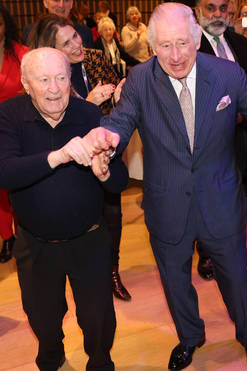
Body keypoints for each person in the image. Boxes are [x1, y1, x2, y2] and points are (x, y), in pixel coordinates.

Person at [82, 3, 247, 370]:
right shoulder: (141, 80)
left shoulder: (226, 74)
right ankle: (190, 338)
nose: (175, 56)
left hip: (220, 198)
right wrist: (106, 137)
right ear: (151, 46)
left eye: (182, 44)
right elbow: (121, 122)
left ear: (196, 39)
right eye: (164, 46)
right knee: (174, 280)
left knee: (236, 276)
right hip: (167, 202)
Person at [0, 47, 127, 371]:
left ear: (71, 80)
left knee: (97, 316)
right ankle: (51, 355)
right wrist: (60, 155)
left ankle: (100, 362)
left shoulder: (89, 115)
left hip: (89, 240)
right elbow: (6, 171)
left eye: (61, 78)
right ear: (27, 85)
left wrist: (105, 171)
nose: (54, 88)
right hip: (35, 244)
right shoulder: (9, 115)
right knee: (42, 315)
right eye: (44, 80)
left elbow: (120, 183)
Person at [27, 14, 133, 302]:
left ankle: (112, 271)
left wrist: (121, 94)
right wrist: (88, 105)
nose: (77, 44)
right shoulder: (48, 78)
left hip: (104, 152)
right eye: (67, 42)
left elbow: (118, 98)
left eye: (76, 36)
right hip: (70, 163)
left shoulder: (95, 58)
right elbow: (56, 128)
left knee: (113, 215)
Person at [194, 0, 247, 281]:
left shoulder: (242, 44)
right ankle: (207, 253)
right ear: (198, 10)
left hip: (238, 134)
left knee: (234, 192)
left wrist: (245, 114)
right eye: (211, 8)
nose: (217, 14)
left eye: (223, 8)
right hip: (204, 137)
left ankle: (230, 245)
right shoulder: (189, 44)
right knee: (207, 196)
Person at [0, 5, 28, 263]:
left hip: (15, 130)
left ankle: (23, 234)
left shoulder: (21, 54)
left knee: (17, 185)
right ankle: (6, 237)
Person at [22, 0, 94, 49]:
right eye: (56, 0)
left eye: (66, 0)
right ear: (45, 3)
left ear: (71, 4)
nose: (61, 5)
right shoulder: (31, 31)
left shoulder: (85, 33)